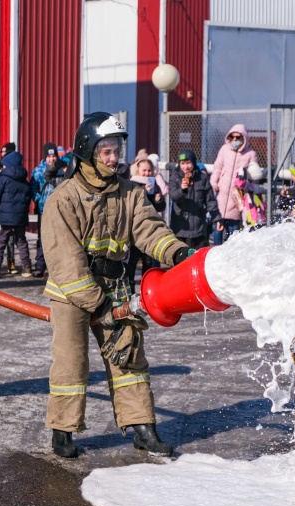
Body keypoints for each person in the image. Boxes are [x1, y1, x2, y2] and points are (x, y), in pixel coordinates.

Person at [41, 112, 193, 459]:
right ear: (88, 152)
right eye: (105, 151)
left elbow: (150, 231)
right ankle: (63, 430)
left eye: (116, 150)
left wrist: (178, 252)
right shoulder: (63, 199)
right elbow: (65, 261)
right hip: (72, 293)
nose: (113, 159)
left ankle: (142, 427)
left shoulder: (131, 194)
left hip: (115, 285)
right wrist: (99, 305)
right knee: (71, 360)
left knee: (129, 354)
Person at [210, 124, 257, 245]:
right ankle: (215, 253)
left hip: (237, 197)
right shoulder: (224, 149)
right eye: (232, 137)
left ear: (244, 138)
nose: (235, 140)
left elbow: (253, 176)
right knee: (217, 230)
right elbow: (218, 167)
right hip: (221, 195)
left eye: (238, 137)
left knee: (233, 232)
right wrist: (214, 181)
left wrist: (244, 186)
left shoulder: (251, 154)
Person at [126, 158, 167, 291]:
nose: (147, 173)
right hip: (135, 230)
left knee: (148, 261)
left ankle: (146, 289)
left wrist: (158, 200)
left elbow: (160, 207)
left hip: (149, 230)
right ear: (138, 170)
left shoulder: (154, 185)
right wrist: (144, 192)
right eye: (144, 170)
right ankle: (130, 289)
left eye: (149, 170)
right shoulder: (132, 184)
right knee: (132, 260)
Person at [0, 147, 32, 278]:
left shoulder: (3, 178)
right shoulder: (24, 179)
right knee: (21, 240)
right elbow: (27, 197)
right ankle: (27, 267)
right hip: (20, 215)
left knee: (2, 239)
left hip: (6, 214)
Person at [168, 149, 218, 249]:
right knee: (181, 260)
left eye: (188, 163)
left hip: (198, 228)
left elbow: (210, 201)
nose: (186, 166)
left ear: (194, 162)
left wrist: (217, 219)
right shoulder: (175, 178)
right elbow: (173, 196)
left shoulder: (202, 178)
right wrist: (182, 190)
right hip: (180, 229)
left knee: (198, 258)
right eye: (182, 163)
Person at [30, 142, 65, 278]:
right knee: (42, 238)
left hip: (58, 209)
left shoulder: (61, 170)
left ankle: (55, 267)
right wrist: (38, 199)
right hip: (43, 208)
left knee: (57, 238)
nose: (51, 159)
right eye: (49, 156)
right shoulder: (38, 170)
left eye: (53, 156)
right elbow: (33, 187)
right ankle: (40, 265)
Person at [233, 162, 267, 229]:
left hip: (258, 220)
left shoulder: (255, 192)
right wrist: (242, 171)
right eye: (256, 180)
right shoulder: (249, 187)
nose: (257, 182)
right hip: (251, 220)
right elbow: (240, 183)